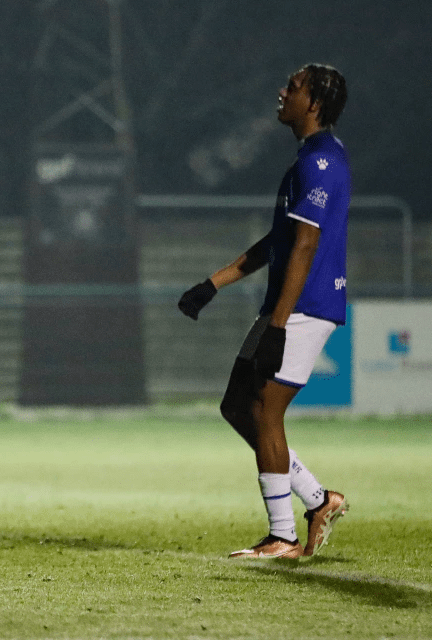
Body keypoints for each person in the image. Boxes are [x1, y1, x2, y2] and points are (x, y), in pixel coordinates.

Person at [178, 63, 350, 560]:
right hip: (285, 306)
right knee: (236, 406)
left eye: (293, 87)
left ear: (313, 103)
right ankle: (319, 501)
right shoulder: (309, 159)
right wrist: (216, 282)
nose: (282, 92)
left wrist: (278, 326)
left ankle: (283, 536)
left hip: (304, 306)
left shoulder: (320, 164)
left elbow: (305, 247)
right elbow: (279, 241)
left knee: (265, 411)